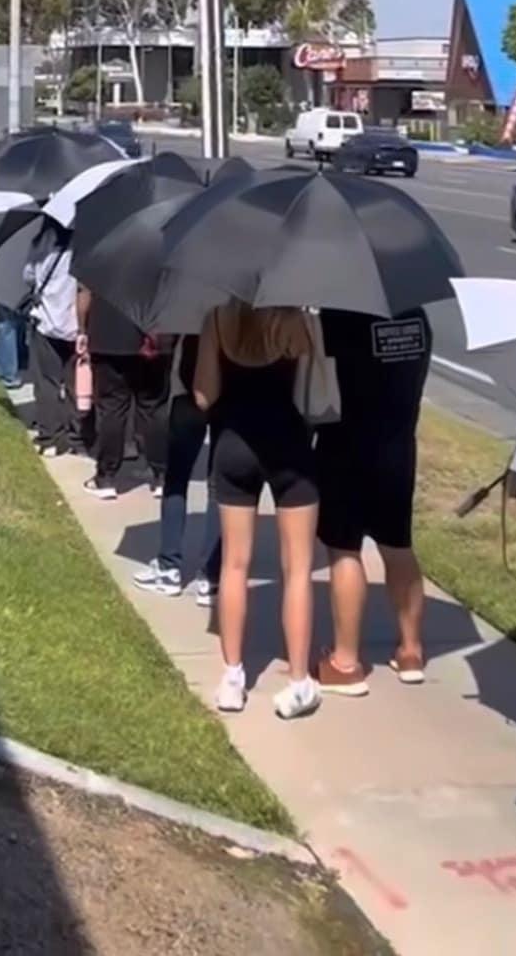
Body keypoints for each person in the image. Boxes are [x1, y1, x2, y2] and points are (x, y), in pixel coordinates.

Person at [194, 301, 321, 721]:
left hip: (234, 444)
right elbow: (311, 394)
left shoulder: (217, 319)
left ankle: (233, 678)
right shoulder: (298, 321)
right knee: (298, 569)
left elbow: (204, 396)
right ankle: (298, 681)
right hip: (289, 444)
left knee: (234, 564)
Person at [314, 306, 432, 696]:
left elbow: (318, 379)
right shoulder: (417, 319)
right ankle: (411, 651)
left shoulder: (339, 316)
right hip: (398, 446)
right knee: (398, 545)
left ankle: (345, 661)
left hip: (344, 444)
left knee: (344, 549)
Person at [134, 331, 221, 603]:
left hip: (189, 390)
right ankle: (211, 575)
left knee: (176, 480)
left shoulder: (189, 308)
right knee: (218, 489)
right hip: (228, 397)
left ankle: (169, 565)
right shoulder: (240, 312)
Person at [76, 281, 169, 501]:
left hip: (109, 335)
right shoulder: (165, 258)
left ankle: (106, 476)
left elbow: (84, 292)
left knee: (112, 408)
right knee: (153, 407)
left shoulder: (99, 259)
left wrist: (82, 329)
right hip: (154, 335)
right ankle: (162, 475)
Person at [26, 241, 82, 457]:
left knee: (46, 383)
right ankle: (77, 436)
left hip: (47, 323)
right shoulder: (90, 243)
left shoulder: (45, 242)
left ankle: (50, 437)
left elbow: (28, 275)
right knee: (76, 385)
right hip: (78, 327)